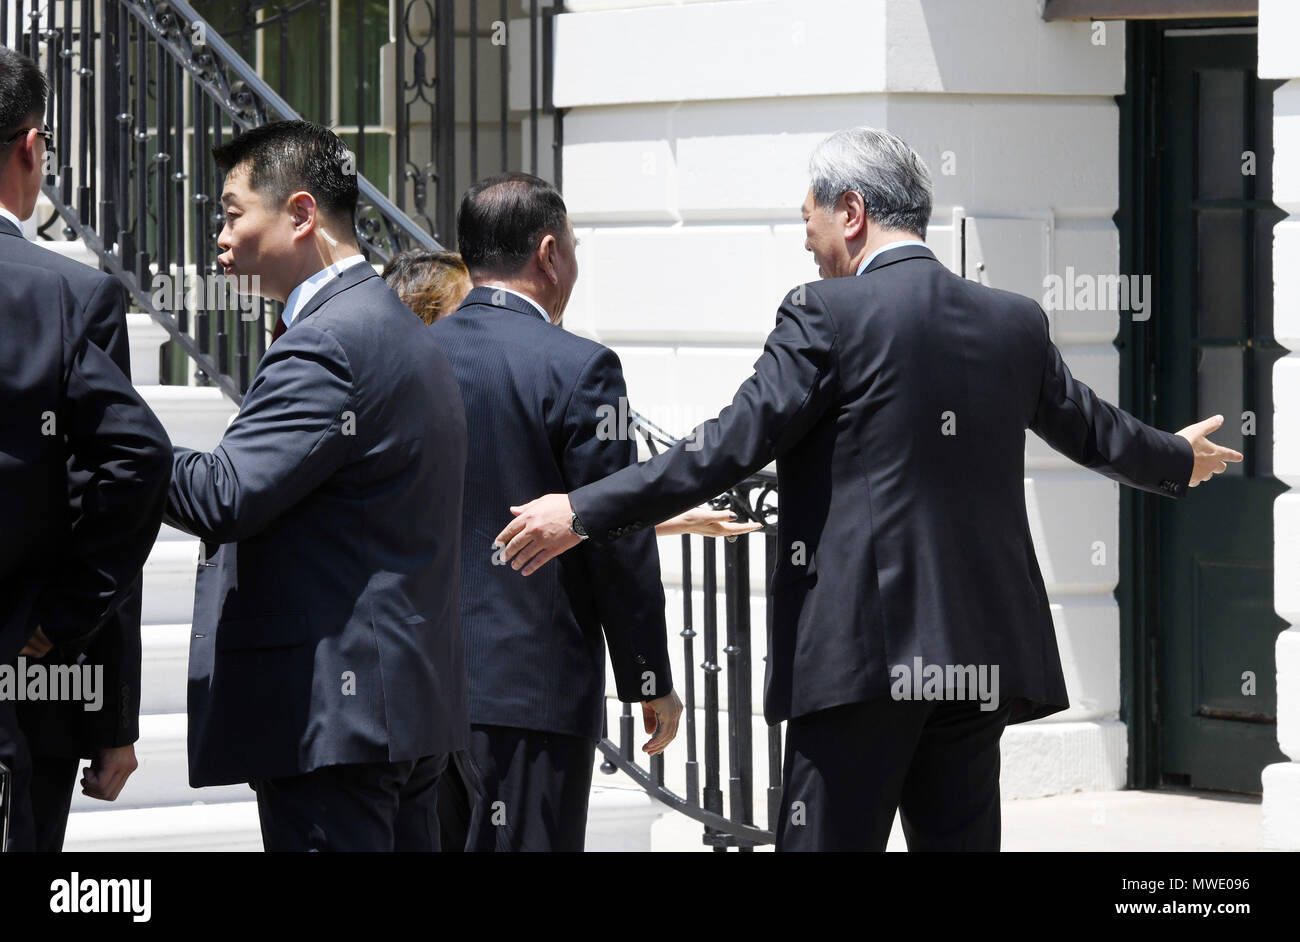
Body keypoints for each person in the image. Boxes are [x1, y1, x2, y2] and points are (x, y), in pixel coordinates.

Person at [493, 127, 1243, 852]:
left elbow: (726, 446)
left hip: (861, 660)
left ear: (851, 212)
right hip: (975, 659)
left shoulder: (824, 313)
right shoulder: (1012, 319)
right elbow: (1095, 432)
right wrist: (1175, 456)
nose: (806, 241)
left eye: (809, 219)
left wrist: (583, 509)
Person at [165, 120, 470, 851]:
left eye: (234, 213)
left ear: (301, 213)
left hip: (338, 727)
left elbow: (224, 495)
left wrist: (108, 430)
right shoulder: (393, 325)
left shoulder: (329, 340)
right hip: (402, 713)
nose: (221, 239)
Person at [427, 172, 684, 851]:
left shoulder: (411, 357)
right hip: (528, 693)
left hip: (415, 685)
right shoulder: (583, 368)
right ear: (548, 253)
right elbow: (616, 532)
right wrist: (649, 675)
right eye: (572, 246)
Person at [0, 44, 150, 850]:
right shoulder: (72, 295)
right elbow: (124, 476)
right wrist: (108, 708)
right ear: (32, 147)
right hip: (27, 691)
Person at [0, 260, 171, 851]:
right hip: (26, 676)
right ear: (31, 159)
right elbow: (119, 476)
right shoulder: (61, 291)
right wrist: (66, 620)